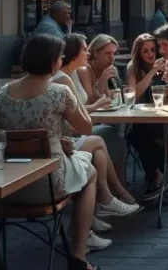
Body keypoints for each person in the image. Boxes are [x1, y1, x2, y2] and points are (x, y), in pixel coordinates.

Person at [0, 35, 138, 268]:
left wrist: (57, 138)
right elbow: (86, 128)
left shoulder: (3, 93)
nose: (62, 60)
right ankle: (80, 253)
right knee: (90, 172)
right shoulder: (59, 91)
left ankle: (94, 220)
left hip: (9, 185)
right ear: (53, 61)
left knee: (86, 159)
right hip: (48, 183)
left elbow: (10, 132)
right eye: (60, 57)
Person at [53, 34, 137, 210]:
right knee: (108, 137)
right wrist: (96, 105)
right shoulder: (66, 77)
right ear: (74, 54)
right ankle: (117, 194)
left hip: (72, 131)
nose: (88, 53)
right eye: (85, 50)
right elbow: (80, 113)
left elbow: (83, 106)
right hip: (69, 135)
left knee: (103, 145)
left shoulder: (70, 74)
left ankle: (106, 202)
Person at [124, 31, 168, 201]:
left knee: (142, 133)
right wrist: (151, 72)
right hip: (146, 119)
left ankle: (160, 175)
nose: (151, 54)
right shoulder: (134, 67)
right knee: (138, 133)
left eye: (153, 49)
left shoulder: (164, 64)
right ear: (138, 53)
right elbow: (133, 95)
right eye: (145, 51)